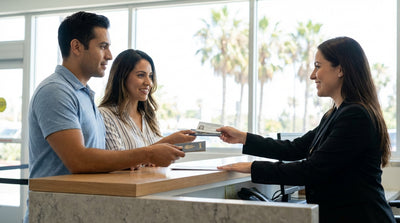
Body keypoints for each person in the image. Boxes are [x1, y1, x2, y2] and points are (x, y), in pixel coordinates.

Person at [25, 11, 184, 222]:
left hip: (82, 210)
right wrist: (147, 154)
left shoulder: (84, 95)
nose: (109, 55)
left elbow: (99, 158)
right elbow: (79, 160)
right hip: (56, 212)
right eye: (102, 46)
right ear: (77, 47)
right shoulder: (55, 91)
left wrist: (145, 156)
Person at [217, 37, 395, 223]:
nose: (312, 75)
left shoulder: (355, 116)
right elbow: (295, 148)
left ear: (340, 69)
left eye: (318, 66)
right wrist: (244, 138)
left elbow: (312, 170)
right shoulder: (334, 114)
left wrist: (251, 168)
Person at [98, 49, 195, 158]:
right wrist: (168, 141)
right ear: (122, 77)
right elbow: (117, 162)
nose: (149, 82)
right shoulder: (104, 115)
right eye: (140, 75)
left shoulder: (149, 117)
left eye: (150, 76)